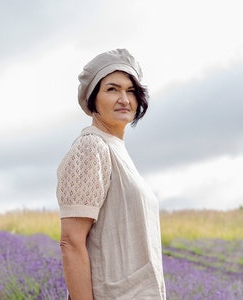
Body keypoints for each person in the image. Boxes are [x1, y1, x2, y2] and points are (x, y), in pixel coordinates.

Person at [56, 48, 166, 299]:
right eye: (112, 89)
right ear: (92, 100)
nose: (124, 99)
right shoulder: (92, 146)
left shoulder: (118, 150)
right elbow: (71, 243)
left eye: (131, 91)